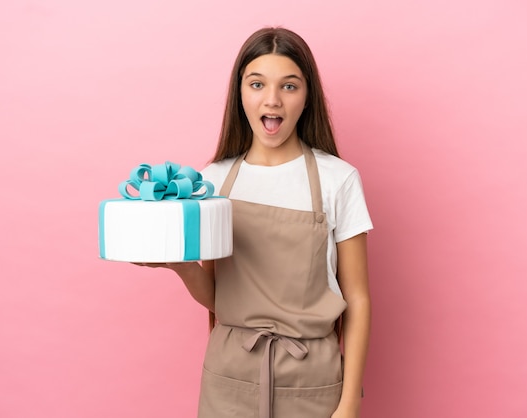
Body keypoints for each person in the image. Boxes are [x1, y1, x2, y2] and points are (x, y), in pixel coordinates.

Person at [138, 27, 373, 418]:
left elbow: (359, 299)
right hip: (229, 377)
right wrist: (178, 265)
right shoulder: (211, 181)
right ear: (240, 92)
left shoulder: (339, 180)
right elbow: (217, 297)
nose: (272, 100)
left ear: (307, 96)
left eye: (289, 86)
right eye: (257, 84)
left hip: (312, 380)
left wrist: (349, 404)